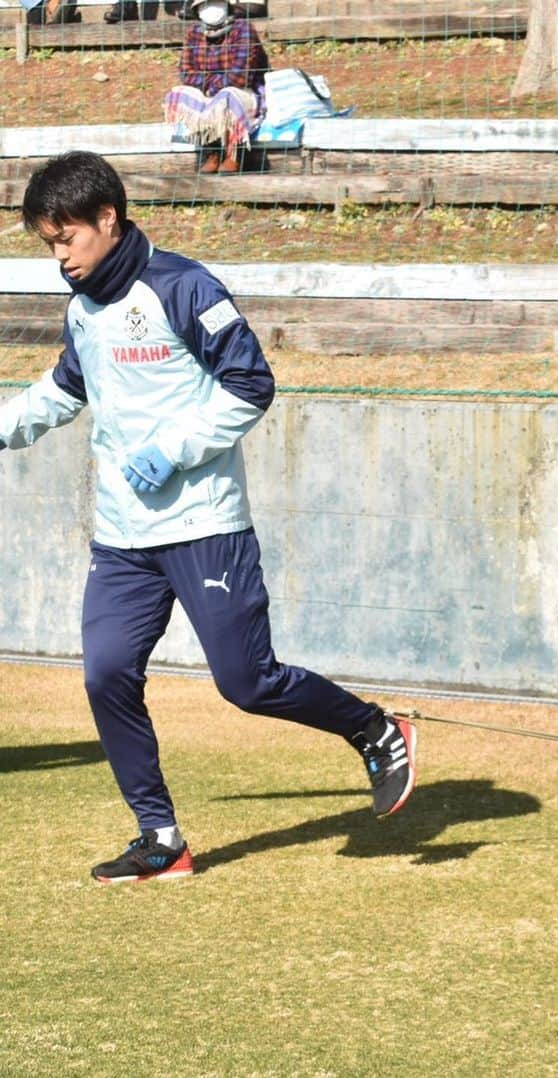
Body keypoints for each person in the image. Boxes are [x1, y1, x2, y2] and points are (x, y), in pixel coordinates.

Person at [5, 151, 417, 884]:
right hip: (122, 538)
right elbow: (66, 389)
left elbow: (251, 382)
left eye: (66, 238)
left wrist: (172, 451)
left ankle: (374, 728)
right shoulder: (83, 309)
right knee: (106, 676)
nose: (60, 257)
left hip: (203, 525)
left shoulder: (184, 286)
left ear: (107, 218)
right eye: (49, 244)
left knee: (247, 682)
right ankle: (160, 838)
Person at [163, 0, 269, 174]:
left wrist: (211, 86)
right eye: (205, 4)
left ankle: (233, 153)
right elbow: (186, 73)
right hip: (209, 92)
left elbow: (241, 75)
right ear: (197, 10)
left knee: (226, 96)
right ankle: (212, 151)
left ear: (226, 6)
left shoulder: (243, 29)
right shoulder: (194, 34)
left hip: (244, 92)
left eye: (216, 2)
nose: (211, 8)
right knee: (179, 94)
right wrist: (212, 85)